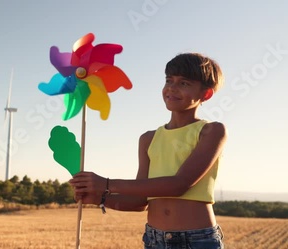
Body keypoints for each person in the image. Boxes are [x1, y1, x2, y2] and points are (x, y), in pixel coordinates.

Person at [69, 53, 227, 249]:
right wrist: (98, 197)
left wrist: (106, 183)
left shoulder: (212, 131)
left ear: (206, 94)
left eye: (184, 83)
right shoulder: (148, 139)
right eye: (169, 80)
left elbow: (179, 185)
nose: (172, 87)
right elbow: (140, 201)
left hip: (196, 240)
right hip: (154, 240)